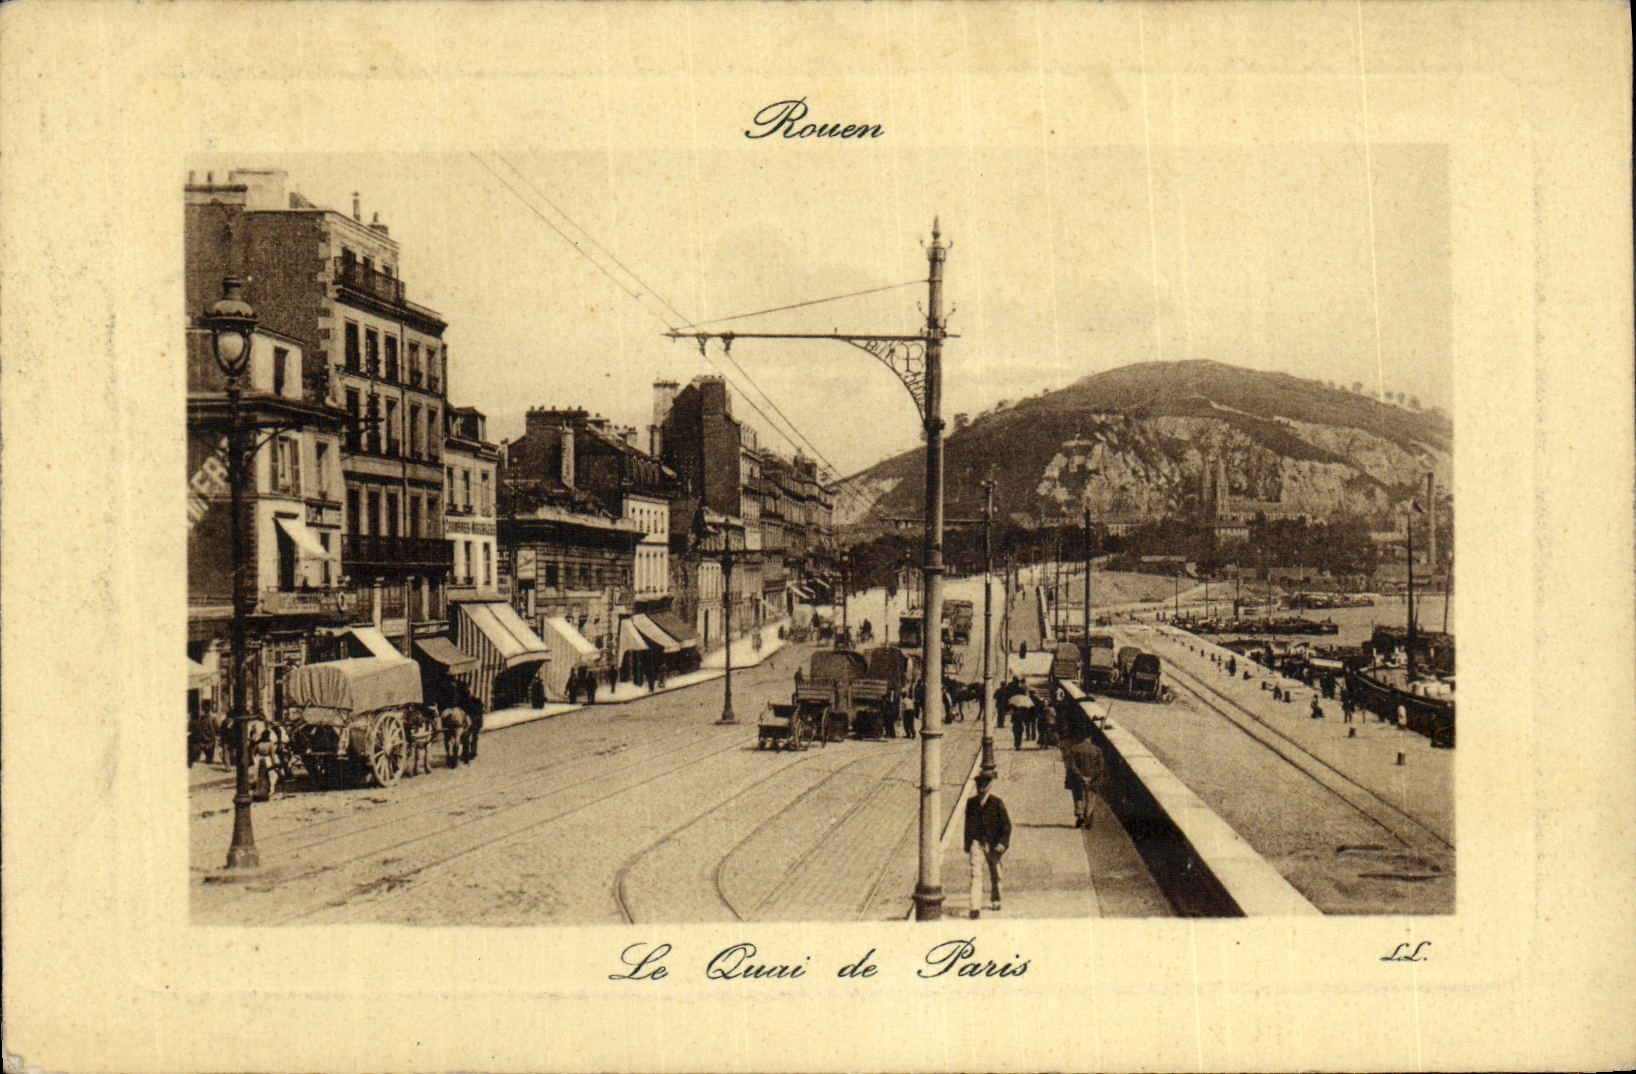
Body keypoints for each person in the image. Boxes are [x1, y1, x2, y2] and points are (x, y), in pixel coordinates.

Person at [964, 774, 1011, 918]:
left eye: (984, 786)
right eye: (979, 786)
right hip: (977, 842)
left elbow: (1007, 826)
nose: (981, 789)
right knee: (975, 874)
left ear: (989, 786)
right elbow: (968, 825)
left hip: (993, 844)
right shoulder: (971, 803)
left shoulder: (997, 803)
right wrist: (967, 844)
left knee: (996, 873)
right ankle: (975, 908)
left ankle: (996, 899)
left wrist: (1002, 843)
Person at [1062, 730, 1108, 828]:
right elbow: (1100, 766)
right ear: (1090, 738)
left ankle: (1080, 814)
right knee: (1091, 796)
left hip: (1078, 779)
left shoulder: (1074, 748)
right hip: (1092, 779)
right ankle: (1087, 814)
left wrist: (1081, 776)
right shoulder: (1097, 750)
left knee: (1078, 795)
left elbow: (1071, 765)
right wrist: (1091, 776)